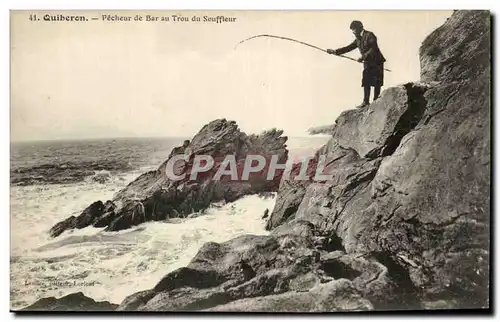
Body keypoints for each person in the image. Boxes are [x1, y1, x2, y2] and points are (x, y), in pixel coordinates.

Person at [327, 20, 386, 108]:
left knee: (377, 82)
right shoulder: (358, 39)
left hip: (377, 62)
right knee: (366, 81)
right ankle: (365, 102)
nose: (353, 33)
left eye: (354, 30)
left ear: (359, 28)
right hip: (367, 63)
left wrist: (363, 57)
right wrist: (335, 51)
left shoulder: (370, 35)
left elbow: (373, 48)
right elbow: (348, 48)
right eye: (353, 31)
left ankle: (376, 101)